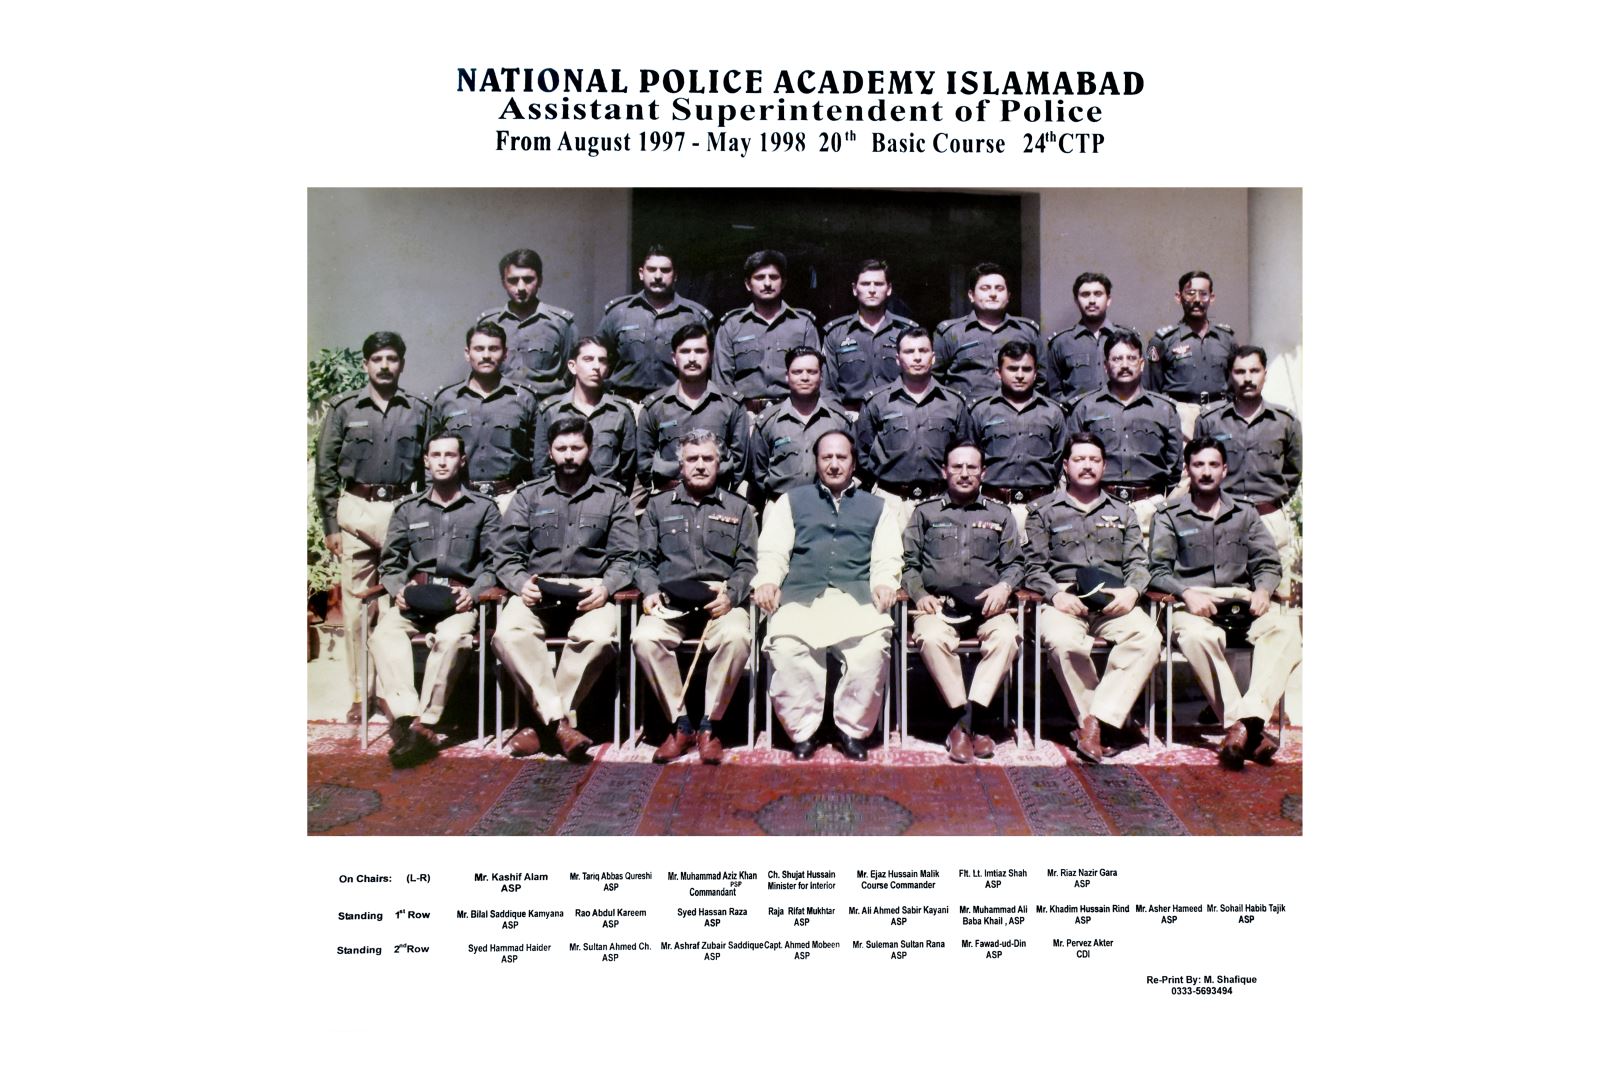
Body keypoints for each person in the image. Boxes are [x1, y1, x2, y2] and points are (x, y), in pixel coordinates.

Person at [1148, 437, 1302, 768]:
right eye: (1198, 465)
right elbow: (1157, 570)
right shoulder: (1169, 515)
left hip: (1241, 603)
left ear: (1225, 470)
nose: (1206, 472)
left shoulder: (1245, 513)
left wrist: (1264, 590)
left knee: (1286, 631)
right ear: (1188, 470)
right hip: (1191, 605)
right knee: (1198, 637)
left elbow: (1267, 562)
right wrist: (1186, 593)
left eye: (1213, 465)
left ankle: (1245, 724)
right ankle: (1247, 730)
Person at [492, 415, 636, 761]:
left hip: (590, 591)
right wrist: (519, 583)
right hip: (538, 589)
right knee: (508, 634)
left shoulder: (613, 498)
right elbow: (506, 555)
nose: (569, 455)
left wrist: (607, 587)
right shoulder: (529, 496)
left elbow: (627, 556)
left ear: (590, 449)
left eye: (576, 447)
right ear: (549, 452)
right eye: (561, 448)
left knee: (599, 638)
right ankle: (560, 723)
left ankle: (541, 726)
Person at [753, 432, 900, 761]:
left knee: (872, 647)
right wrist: (768, 581)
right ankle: (804, 730)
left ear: (853, 462)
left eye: (841, 457)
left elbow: (887, 556)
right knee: (786, 646)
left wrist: (884, 582)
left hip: (855, 597)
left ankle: (851, 729)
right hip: (802, 596)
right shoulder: (790, 501)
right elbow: (774, 551)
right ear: (816, 462)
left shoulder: (878, 507)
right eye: (827, 458)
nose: (834, 464)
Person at [314, 331, 432, 720]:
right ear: (366, 364)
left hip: (401, 510)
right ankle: (360, 694)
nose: (384, 366)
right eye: (377, 359)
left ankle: (394, 693)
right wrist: (331, 524)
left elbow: (429, 470)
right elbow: (326, 470)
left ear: (402, 364)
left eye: (391, 359)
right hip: (357, 511)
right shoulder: (344, 409)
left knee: (397, 605)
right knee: (356, 609)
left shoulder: (418, 410)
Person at [1025, 432, 1161, 763]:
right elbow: (1031, 566)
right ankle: (1101, 725)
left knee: (1148, 638)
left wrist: (1132, 591)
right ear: (1066, 466)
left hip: (1113, 601)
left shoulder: (1123, 512)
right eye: (1079, 459)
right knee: (1062, 641)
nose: (1087, 466)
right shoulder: (1043, 511)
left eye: (1094, 460)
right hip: (1065, 600)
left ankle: (1094, 723)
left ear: (1104, 465)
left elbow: (1138, 564)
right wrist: (1054, 595)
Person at [369, 431, 502, 766]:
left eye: (450, 455)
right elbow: (390, 562)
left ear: (462, 461)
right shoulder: (407, 509)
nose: (443, 462)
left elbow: (495, 564)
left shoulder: (483, 509)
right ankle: (406, 717)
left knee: (454, 637)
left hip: (458, 600)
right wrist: (398, 590)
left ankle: (425, 724)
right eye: (436, 455)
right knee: (384, 635)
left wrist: (473, 593)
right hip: (415, 599)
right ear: (426, 461)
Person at [633, 431, 758, 764]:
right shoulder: (658, 506)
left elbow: (748, 564)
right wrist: (649, 590)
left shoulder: (739, 508)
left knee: (737, 637)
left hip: (720, 602)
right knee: (645, 638)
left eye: (707, 459)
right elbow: (643, 561)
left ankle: (709, 725)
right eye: (692, 459)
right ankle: (681, 724)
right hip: (671, 601)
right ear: (680, 465)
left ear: (719, 464)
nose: (700, 465)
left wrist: (732, 594)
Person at [902, 443, 1024, 762]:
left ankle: (964, 724)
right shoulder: (925, 513)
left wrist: (1004, 587)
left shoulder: (1001, 514)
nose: (965, 473)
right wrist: (920, 594)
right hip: (939, 606)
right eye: (957, 467)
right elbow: (908, 564)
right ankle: (969, 720)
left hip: (988, 607)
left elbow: (1015, 563)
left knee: (1007, 637)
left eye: (972, 467)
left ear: (983, 472)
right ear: (945, 471)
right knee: (930, 637)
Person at [1194, 345, 1303, 595]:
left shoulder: (1285, 422)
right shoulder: (1211, 420)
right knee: (1222, 596)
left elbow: (1293, 471)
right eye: (1240, 371)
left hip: (1269, 519)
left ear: (1265, 373)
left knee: (1276, 597)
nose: (1247, 378)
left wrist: (1271, 502)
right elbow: (1197, 470)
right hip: (1222, 521)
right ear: (1230, 375)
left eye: (1254, 371)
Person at [854, 326, 976, 530]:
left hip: (941, 500)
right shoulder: (877, 402)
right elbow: (863, 454)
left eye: (923, 351)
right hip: (891, 502)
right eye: (909, 351)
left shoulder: (954, 403)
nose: (917, 357)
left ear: (933, 357)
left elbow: (965, 452)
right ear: (897, 359)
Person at [1064, 327, 1183, 536]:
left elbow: (1175, 466)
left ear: (1142, 364)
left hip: (1149, 508)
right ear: (1106, 366)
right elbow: (1071, 460)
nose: (1125, 365)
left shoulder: (1164, 409)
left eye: (1131, 358)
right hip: (1099, 505)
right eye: (1117, 359)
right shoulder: (1085, 408)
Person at [429, 321, 542, 511]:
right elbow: (429, 458)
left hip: (509, 500)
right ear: (467, 353)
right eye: (479, 349)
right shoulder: (446, 400)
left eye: (494, 349)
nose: (486, 355)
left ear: (505, 354)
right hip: (459, 499)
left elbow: (539, 461)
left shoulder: (524, 399)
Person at [969, 339, 1068, 540]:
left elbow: (1059, 462)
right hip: (993, 507)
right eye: (1012, 369)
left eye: (1027, 369)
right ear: (998, 373)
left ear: (1036, 373)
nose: (1020, 375)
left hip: (1041, 508)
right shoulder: (981, 411)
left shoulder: (1052, 413)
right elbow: (972, 459)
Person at [636, 322, 747, 497]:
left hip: (718, 496)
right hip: (669, 496)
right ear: (674, 358)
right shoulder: (655, 407)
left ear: (711, 357)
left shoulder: (730, 405)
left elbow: (739, 461)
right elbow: (644, 462)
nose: (692, 358)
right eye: (685, 351)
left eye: (700, 351)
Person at [597, 244, 714, 404]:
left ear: (675, 275)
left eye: (665, 270)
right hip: (627, 404)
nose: (658, 276)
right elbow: (599, 358)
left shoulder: (695, 316)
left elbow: (711, 367)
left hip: (676, 404)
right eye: (652, 269)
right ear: (641, 273)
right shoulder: (618, 313)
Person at [713, 249, 822, 413]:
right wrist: (739, 417)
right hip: (745, 414)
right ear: (748, 284)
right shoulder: (731, 326)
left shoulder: (803, 324)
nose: (767, 283)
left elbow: (815, 376)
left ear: (783, 282)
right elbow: (722, 382)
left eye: (773, 277)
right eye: (759, 277)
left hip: (792, 413)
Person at [747, 346, 852, 510]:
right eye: (797, 372)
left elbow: (851, 466)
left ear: (821, 376)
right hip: (780, 505)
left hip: (829, 505)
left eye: (811, 372)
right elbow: (758, 473)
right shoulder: (768, 422)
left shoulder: (838, 421)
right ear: (787, 376)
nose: (805, 377)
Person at [532, 336, 637, 489]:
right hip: (562, 496)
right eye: (588, 359)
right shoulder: (551, 411)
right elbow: (542, 467)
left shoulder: (621, 412)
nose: (596, 366)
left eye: (602, 360)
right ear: (572, 366)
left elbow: (627, 470)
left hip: (607, 499)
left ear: (608, 369)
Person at [1145, 269, 1237, 437]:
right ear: (1178, 297)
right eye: (1190, 293)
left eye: (1203, 294)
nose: (1197, 300)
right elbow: (1152, 389)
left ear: (1212, 298)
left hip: (1220, 414)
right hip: (1181, 417)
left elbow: (1235, 382)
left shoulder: (1226, 339)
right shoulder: (1162, 341)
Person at [821, 258, 917, 413]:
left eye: (878, 284)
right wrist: (842, 417)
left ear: (889, 289)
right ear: (854, 289)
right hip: (851, 418)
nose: (872, 290)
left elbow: (919, 380)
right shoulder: (836, 335)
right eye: (865, 284)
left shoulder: (906, 332)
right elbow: (827, 389)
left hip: (899, 416)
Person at [476, 248, 575, 398]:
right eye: (513, 280)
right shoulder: (489, 323)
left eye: (528, 280)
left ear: (540, 280)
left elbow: (571, 375)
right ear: (503, 283)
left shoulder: (561, 323)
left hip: (545, 406)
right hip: (502, 406)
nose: (521, 287)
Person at [933, 262, 1040, 400]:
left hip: (1015, 411)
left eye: (999, 289)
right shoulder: (951, 333)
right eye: (985, 288)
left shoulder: (1027, 332)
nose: (993, 294)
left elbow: (1040, 381)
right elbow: (935, 379)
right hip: (966, 411)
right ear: (971, 295)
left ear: (1008, 296)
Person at [1042, 271, 1132, 403]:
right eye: (1085, 295)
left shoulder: (1128, 339)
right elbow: (1053, 394)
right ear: (1076, 301)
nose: (1092, 300)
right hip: (1076, 415)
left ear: (1108, 300)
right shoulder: (1060, 343)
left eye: (1098, 294)